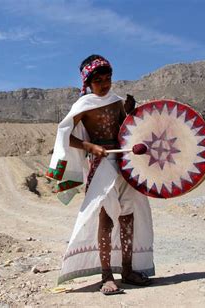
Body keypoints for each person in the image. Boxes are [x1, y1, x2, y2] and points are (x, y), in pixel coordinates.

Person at [46, 55, 154, 295]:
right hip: (101, 165)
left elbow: (125, 130)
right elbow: (65, 133)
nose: (105, 84)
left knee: (128, 215)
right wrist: (89, 147)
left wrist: (129, 113)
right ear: (88, 82)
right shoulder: (83, 105)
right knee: (105, 217)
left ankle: (128, 270)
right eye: (98, 80)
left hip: (126, 163)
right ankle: (107, 275)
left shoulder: (117, 102)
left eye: (108, 78)